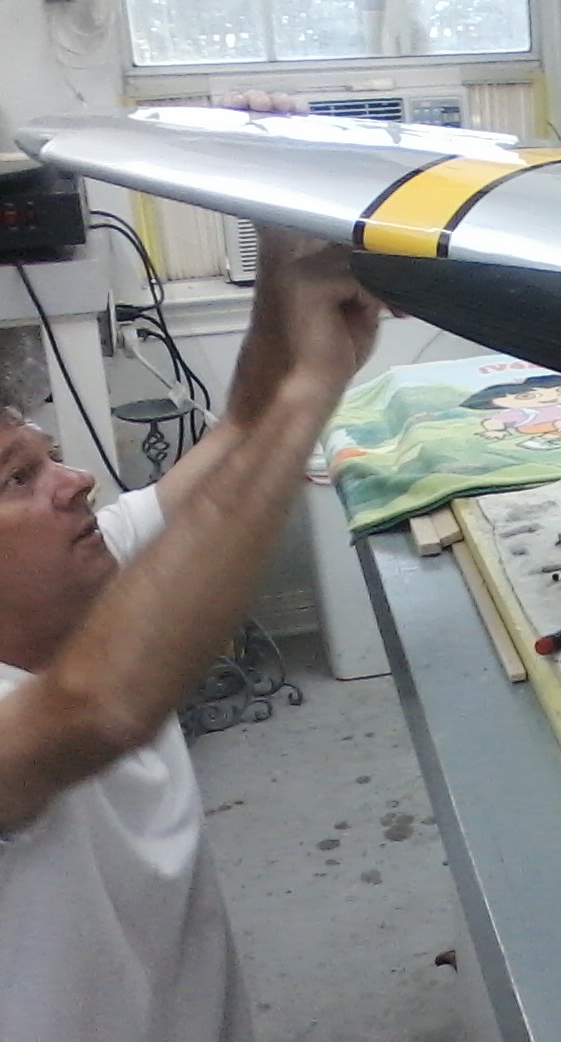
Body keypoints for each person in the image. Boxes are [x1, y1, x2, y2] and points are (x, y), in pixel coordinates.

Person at [0, 226, 383, 1041]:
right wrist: (309, 392)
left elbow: (242, 428)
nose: (78, 481)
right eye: (17, 478)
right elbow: (98, 706)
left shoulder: (88, 568)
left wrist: (281, 261)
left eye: (50, 456)